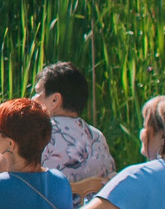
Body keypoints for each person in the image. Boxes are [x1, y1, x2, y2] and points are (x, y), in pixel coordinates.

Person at [36, 61, 117, 196]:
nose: (32, 99)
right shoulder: (98, 137)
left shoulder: (38, 134)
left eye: (38, 92)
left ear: (55, 100)